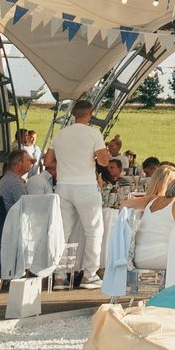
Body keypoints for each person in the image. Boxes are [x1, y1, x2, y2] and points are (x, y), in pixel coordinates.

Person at [44, 98, 112, 286]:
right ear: (90, 114)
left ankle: (59, 275)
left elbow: (48, 162)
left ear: (73, 114)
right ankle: (89, 274)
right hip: (85, 186)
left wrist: (63, 164)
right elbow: (104, 162)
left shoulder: (60, 135)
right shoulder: (94, 133)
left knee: (63, 232)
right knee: (93, 231)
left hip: (64, 187)